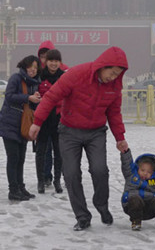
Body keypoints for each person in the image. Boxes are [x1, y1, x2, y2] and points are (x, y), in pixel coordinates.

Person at [29, 46, 129, 231]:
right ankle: (82, 216)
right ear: (102, 65)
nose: (113, 77)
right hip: (69, 132)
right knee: (71, 174)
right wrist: (38, 122)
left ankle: (102, 205)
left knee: (100, 170)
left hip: (96, 132)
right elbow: (51, 97)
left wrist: (120, 137)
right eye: (112, 72)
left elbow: (114, 113)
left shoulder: (114, 86)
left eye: (117, 74)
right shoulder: (76, 74)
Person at [0, 55, 41, 201]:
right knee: (13, 157)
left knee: (21, 158)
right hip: (10, 123)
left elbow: (31, 105)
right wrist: (28, 98)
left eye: (36, 67)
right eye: (31, 66)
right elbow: (9, 96)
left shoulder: (34, 82)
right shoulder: (16, 78)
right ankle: (13, 190)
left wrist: (37, 99)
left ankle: (21, 187)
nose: (33, 70)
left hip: (23, 124)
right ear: (25, 66)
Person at [37, 40, 69, 187]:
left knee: (58, 151)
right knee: (43, 150)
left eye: (55, 60)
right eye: (43, 57)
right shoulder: (38, 75)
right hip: (43, 119)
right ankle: (43, 178)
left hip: (59, 118)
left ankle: (57, 179)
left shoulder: (65, 75)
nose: (50, 62)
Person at [120, 147, 155, 231]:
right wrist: (125, 151)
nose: (145, 173)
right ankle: (136, 221)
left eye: (149, 172)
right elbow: (127, 164)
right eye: (143, 170)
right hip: (132, 206)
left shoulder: (153, 181)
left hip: (148, 208)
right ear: (137, 168)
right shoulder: (131, 176)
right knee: (135, 199)